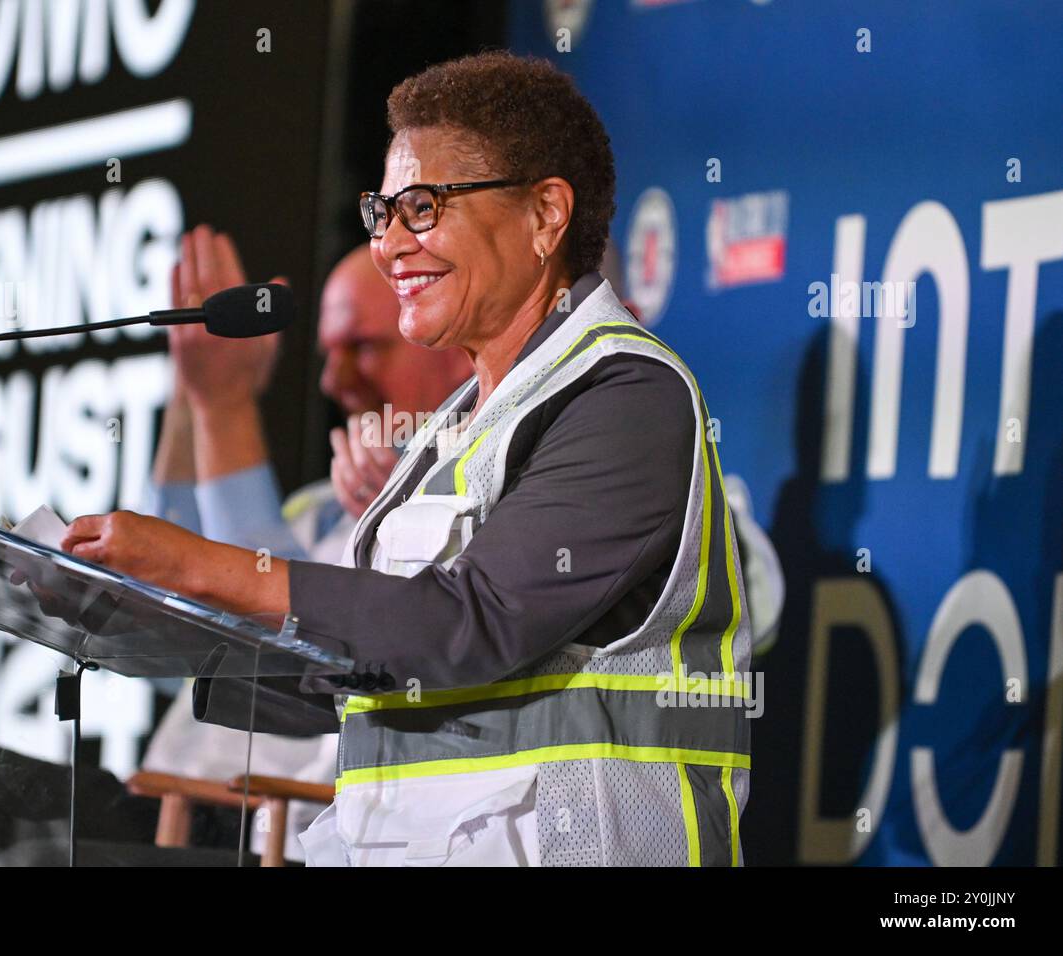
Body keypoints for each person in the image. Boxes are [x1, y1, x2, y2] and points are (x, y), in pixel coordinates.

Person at [61, 51, 753, 867]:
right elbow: (371, 667)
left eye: (422, 208)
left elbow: (469, 625)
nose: (388, 243)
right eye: (381, 210)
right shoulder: (454, 428)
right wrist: (143, 625)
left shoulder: (628, 396)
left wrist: (202, 565)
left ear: (545, 215)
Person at [140, 225, 470, 861]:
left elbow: (272, 631)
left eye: (364, 347)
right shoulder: (316, 503)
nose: (332, 379)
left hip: (281, 833)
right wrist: (193, 384)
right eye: (327, 352)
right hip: (181, 806)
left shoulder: (464, 499)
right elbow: (174, 616)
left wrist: (224, 401)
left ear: (452, 342)